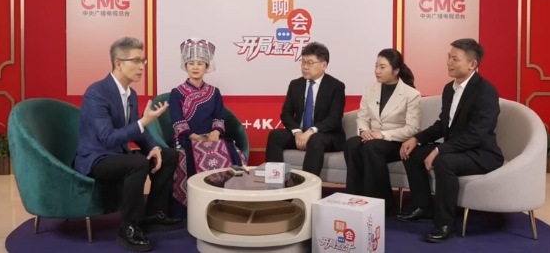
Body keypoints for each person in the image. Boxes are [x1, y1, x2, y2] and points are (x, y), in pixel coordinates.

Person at [73, 37, 183, 252]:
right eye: (136, 61)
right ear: (118, 63)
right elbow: (107, 138)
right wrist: (144, 121)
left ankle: (153, 214)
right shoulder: (96, 93)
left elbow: (137, 132)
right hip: (96, 158)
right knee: (137, 163)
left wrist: (154, 147)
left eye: (143, 60)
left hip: (118, 155)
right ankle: (129, 228)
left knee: (168, 155)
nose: (142, 66)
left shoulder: (130, 93)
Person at [396, 38, 504, 244]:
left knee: (444, 162)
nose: (448, 62)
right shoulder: (449, 89)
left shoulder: (486, 91)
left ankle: (445, 224)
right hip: (458, 149)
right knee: (413, 152)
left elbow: (476, 134)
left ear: (472, 64)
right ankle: (423, 208)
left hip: (481, 153)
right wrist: (416, 139)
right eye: (448, 57)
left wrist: (439, 150)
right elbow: (442, 125)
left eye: (455, 59)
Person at [343, 48, 421, 213]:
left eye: (382, 67)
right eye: (376, 66)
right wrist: (364, 131)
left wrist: (382, 135)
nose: (377, 71)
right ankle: (354, 199)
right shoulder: (370, 89)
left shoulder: (411, 94)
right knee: (352, 144)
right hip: (372, 138)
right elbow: (362, 117)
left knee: (372, 147)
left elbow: (412, 128)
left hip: (395, 142)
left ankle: (381, 205)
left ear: (396, 70)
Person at [169, 38, 246, 206]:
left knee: (230, 152)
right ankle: (197, 203)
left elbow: (219, 117)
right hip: (187, 139)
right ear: (185, 66)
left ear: (206, 66)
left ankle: (229, 201)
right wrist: (194, 136)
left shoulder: (214, 92)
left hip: (211, 137)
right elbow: (178, 121)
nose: (195, 67)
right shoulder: (176, 93)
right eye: (191, 63)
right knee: (194, 155)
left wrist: (216, 132)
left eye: (200, 63)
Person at [265, 42, 346, 176]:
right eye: (303, 62)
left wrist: (311, 131)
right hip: (300, 134)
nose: (305, 67)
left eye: (310, 63)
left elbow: (334, 119)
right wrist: (297, 132)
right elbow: (286, 114)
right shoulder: (295, 84)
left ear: (324, 65)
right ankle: (275, 180)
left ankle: (308, 184)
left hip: (326, 136)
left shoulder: (336, 86)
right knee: (275, 136)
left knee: (316, 139)